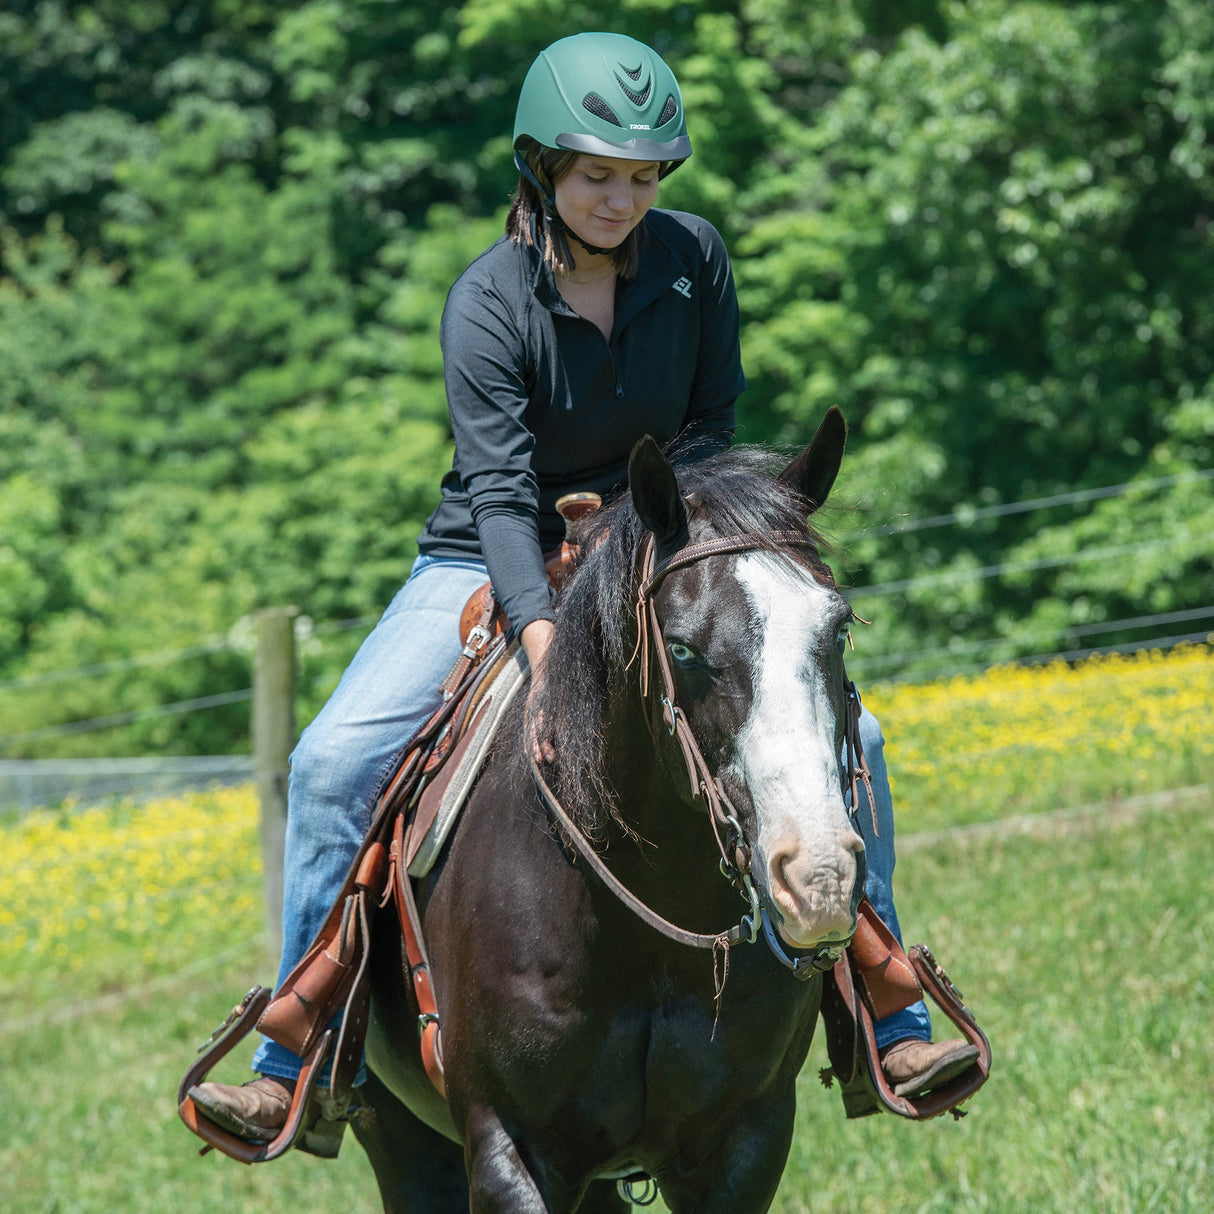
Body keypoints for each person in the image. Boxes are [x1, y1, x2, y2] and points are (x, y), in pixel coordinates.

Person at [190, 31, 975, 1144]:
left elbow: (708, 431)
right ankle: (296, 1057)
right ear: (539, 169)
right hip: (485, 554)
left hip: (661, 539)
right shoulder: (488, 299)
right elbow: (499, 490)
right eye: (596, 174)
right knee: (328, 763)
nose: (620, 198)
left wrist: (667, 543)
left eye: (641, 177)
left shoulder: (693, 259)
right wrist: (540, 626)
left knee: (867, 737)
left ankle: (882, 1010)